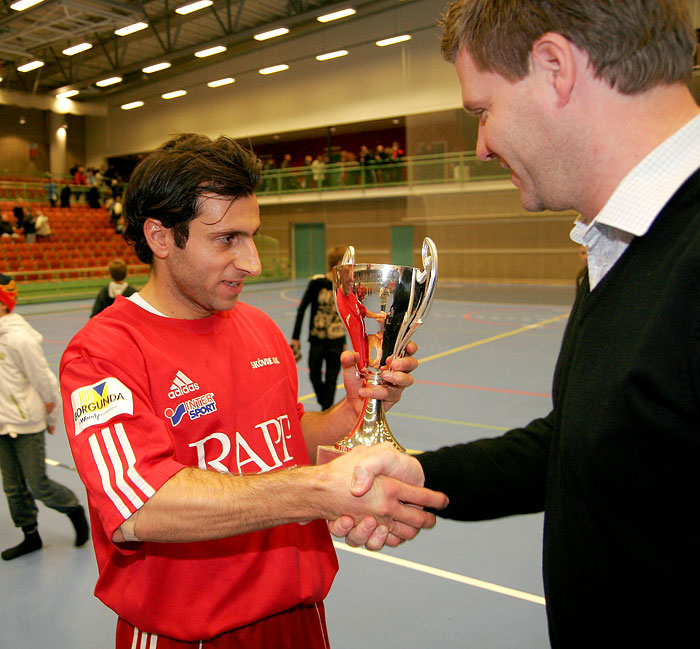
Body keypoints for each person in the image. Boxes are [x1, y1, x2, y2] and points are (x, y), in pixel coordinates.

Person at [330, 1, 700, 646]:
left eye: (482, 110)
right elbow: (584, 445)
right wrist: (423, 476)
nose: (481, 147)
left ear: (555, 67)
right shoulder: (619, 247)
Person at [58, 133, 447, 648]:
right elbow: (139, 508)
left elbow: (283, 439)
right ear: (159, 237)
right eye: (226, 240)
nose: (252, 263)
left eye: (252, 237)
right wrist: (314, 492)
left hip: (300, 617)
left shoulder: (259, 327)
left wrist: (351, 410)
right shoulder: (103, 352)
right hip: (190, 635)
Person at [0, 275, 89, 561]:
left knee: (37, 484)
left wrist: (49, 420)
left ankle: (74, 509)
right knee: (13, 487)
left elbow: (46, 384)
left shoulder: (18, 338)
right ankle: (30, 536)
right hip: (1, 424)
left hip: (26, 425)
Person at [290, 246, 347, 411]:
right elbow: (302, 309)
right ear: (339, 263)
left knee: (331, 379)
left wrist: (344, 341)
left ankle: (325, 411)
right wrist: (296, 337)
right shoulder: (317, 283)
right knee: (314, 376)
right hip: (317, 340)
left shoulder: (345, 288)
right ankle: (326, 408)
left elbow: (344, 317)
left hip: (336, 341)